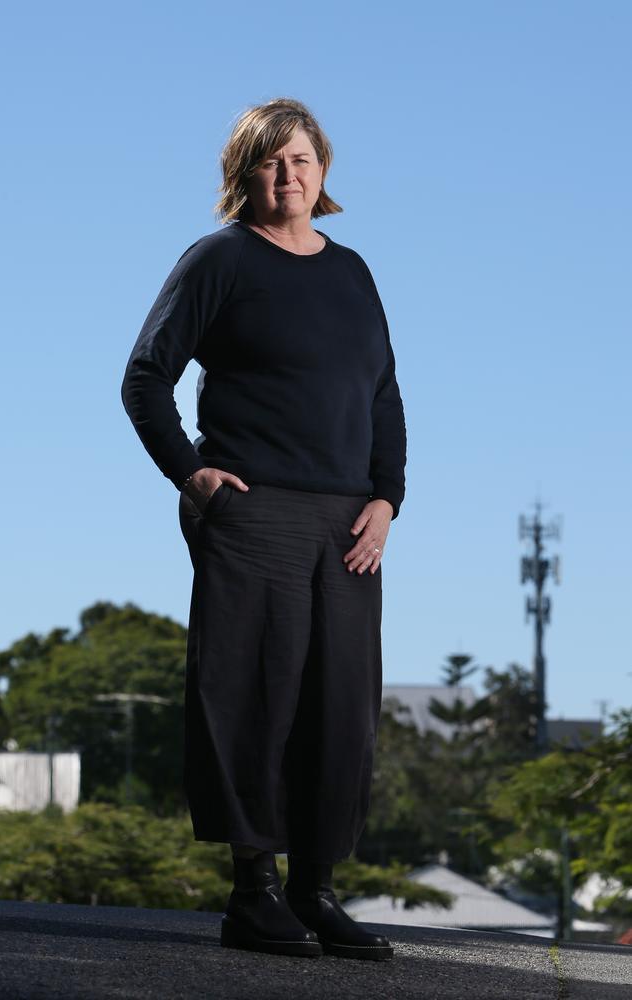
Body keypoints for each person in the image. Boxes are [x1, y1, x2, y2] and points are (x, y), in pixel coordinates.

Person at [120, 97, 407, 961]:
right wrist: (194, 473)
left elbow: (384, 394)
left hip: (349, 521)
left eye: (303, 160)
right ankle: (256, 891)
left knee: (340, 710)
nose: (289, 175)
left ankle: (317, 891)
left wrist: (388, 499)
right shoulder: (219, 260)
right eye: (270, 162)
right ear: (243, 174)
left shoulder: (352, 271)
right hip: (254, 508)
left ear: (324, 172)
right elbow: (145, 378)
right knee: (256, 698)